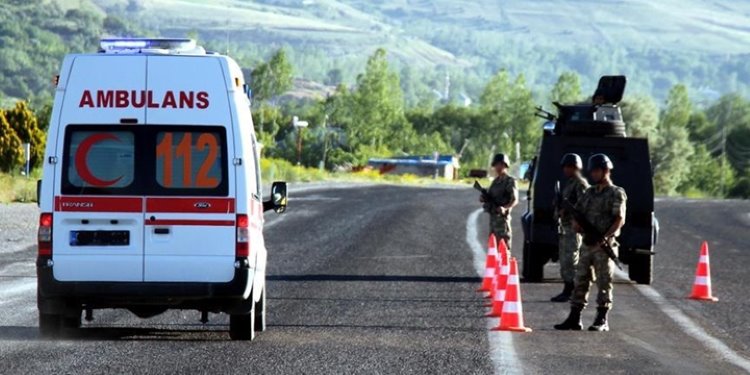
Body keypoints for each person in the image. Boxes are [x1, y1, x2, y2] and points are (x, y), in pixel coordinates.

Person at [554, 154, 626, 332]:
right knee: (580, 280)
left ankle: (602, 319)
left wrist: (606, 237)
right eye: (592, 171)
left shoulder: (616, 192)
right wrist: (577, 225)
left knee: (604, 282)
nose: (593, 174)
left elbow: (619, 219)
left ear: (606, 171)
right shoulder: (589, 192)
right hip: (587, 243)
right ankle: (574, 318)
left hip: (603, 246)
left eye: (597, 170)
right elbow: (577, 212)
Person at [551, 153, 589, 302]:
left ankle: (572, 290)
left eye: (568, 167)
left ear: (575, 167)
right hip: (566, 227)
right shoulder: (570, 183)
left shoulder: (580, 184)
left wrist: (568, 211)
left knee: (571, 259)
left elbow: (584, 205)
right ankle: (567, 288)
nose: (565, 170)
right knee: (565, 259)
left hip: (574, 227)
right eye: (565, 167)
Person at [479, 153, 518, 252]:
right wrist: (484, 198)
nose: (498, 167)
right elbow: (490, 195)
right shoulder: (495, 182)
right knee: (493, 249)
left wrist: (505, 208)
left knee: (504, 250)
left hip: (502, 221)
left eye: (500, 164)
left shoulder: (510, 181)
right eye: (496, 165)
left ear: (505, 165)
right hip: (493, 221)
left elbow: (514, 200)